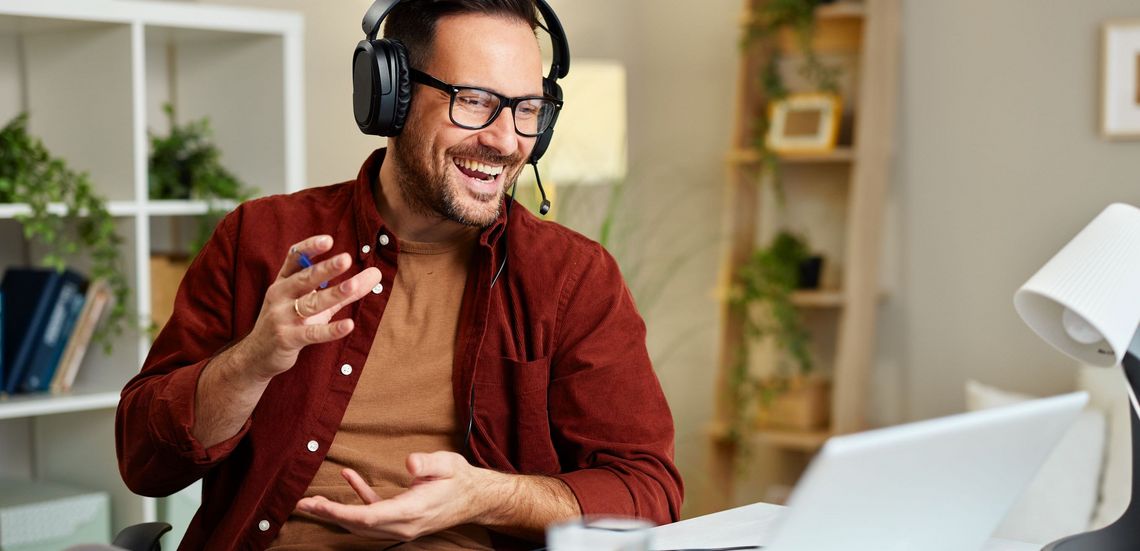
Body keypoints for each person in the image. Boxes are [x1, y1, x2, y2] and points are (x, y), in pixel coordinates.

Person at [115, 1, 682, 549]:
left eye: (528, 109)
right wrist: (251, 362)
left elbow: (648, 492)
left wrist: (485, 497)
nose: (507, 140)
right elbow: (145, 463)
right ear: (393, 96)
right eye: (476, 100)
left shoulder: (573, 278)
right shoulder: (260, 238)